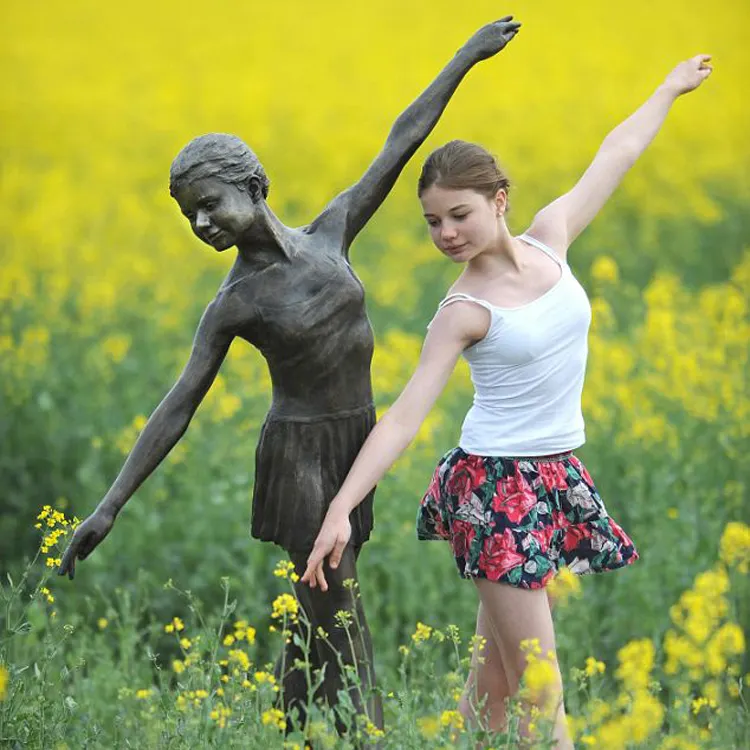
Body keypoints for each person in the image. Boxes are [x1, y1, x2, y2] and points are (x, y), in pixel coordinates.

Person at [57, 16, 522, 738]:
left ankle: (291, 730)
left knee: (318, 608)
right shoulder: (233, 304)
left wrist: (466, 56)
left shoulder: (332, 231)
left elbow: (401, 141)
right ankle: (367, 733)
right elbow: (178, 404)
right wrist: (110, 506)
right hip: (298, 457)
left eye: (210, 203)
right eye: (189, 216)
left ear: (256, 186)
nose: (202, 223)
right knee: (337, 602)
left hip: (354, 443)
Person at [302, 55, 713, 747]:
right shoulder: (462, 309)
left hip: (553, 476)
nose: (446, 235)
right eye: (433, 222)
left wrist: (667, 90)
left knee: (493, 684)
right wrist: (341, 507)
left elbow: (618, 153)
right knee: (544, 697)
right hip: (496, 489)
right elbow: (405, 414)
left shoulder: (552, 238)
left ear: (499, 199)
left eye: (458, 214)